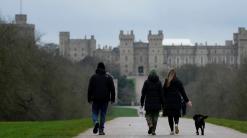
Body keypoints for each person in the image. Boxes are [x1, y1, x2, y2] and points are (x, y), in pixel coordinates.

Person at [88, 62, 115, 135]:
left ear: (97, 68)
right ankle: (101, 130)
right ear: (104, 68)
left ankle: (96, 122)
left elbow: (90, 89)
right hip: (105, 99)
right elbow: (112, 89)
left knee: (94, 112)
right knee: (103, 114)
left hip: (95, 98)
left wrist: (89, 99)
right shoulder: (108, 77)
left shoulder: (93, 77)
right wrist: (112, 99)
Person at [163, 69, 192, 135]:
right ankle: (176, 124)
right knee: (176, 115)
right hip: (176, 100)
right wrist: (187, 101)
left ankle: (172, 130)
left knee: (170, 116)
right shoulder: (178, 82)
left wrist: (162, 100)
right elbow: (183, 92)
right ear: (175, 75)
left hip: (168, 101)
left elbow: (163, 92)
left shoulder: (166, 81)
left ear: (169, 74)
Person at [140, 70, 165, 135]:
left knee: (148, 115)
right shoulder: (159, 83)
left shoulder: (146, 82)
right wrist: (163, 103)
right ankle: (153, 130)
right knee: (155, 116)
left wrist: (142, 103)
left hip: (148, 102)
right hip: (157, 103)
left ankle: (150, 124)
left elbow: (143, 94)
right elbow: (162, 94)